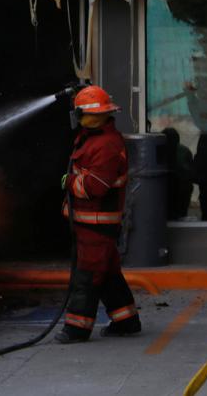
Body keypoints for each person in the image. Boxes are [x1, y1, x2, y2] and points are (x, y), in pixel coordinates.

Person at [55, 85, 141, 343]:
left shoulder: (106, 145)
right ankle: (127, 321)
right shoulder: (92, 138)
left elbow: (95, 186)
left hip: (97, 224)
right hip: (89, 223)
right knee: (108, 273)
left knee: (88, 274)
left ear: (87, 115)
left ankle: (77, 328)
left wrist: (69, 182)